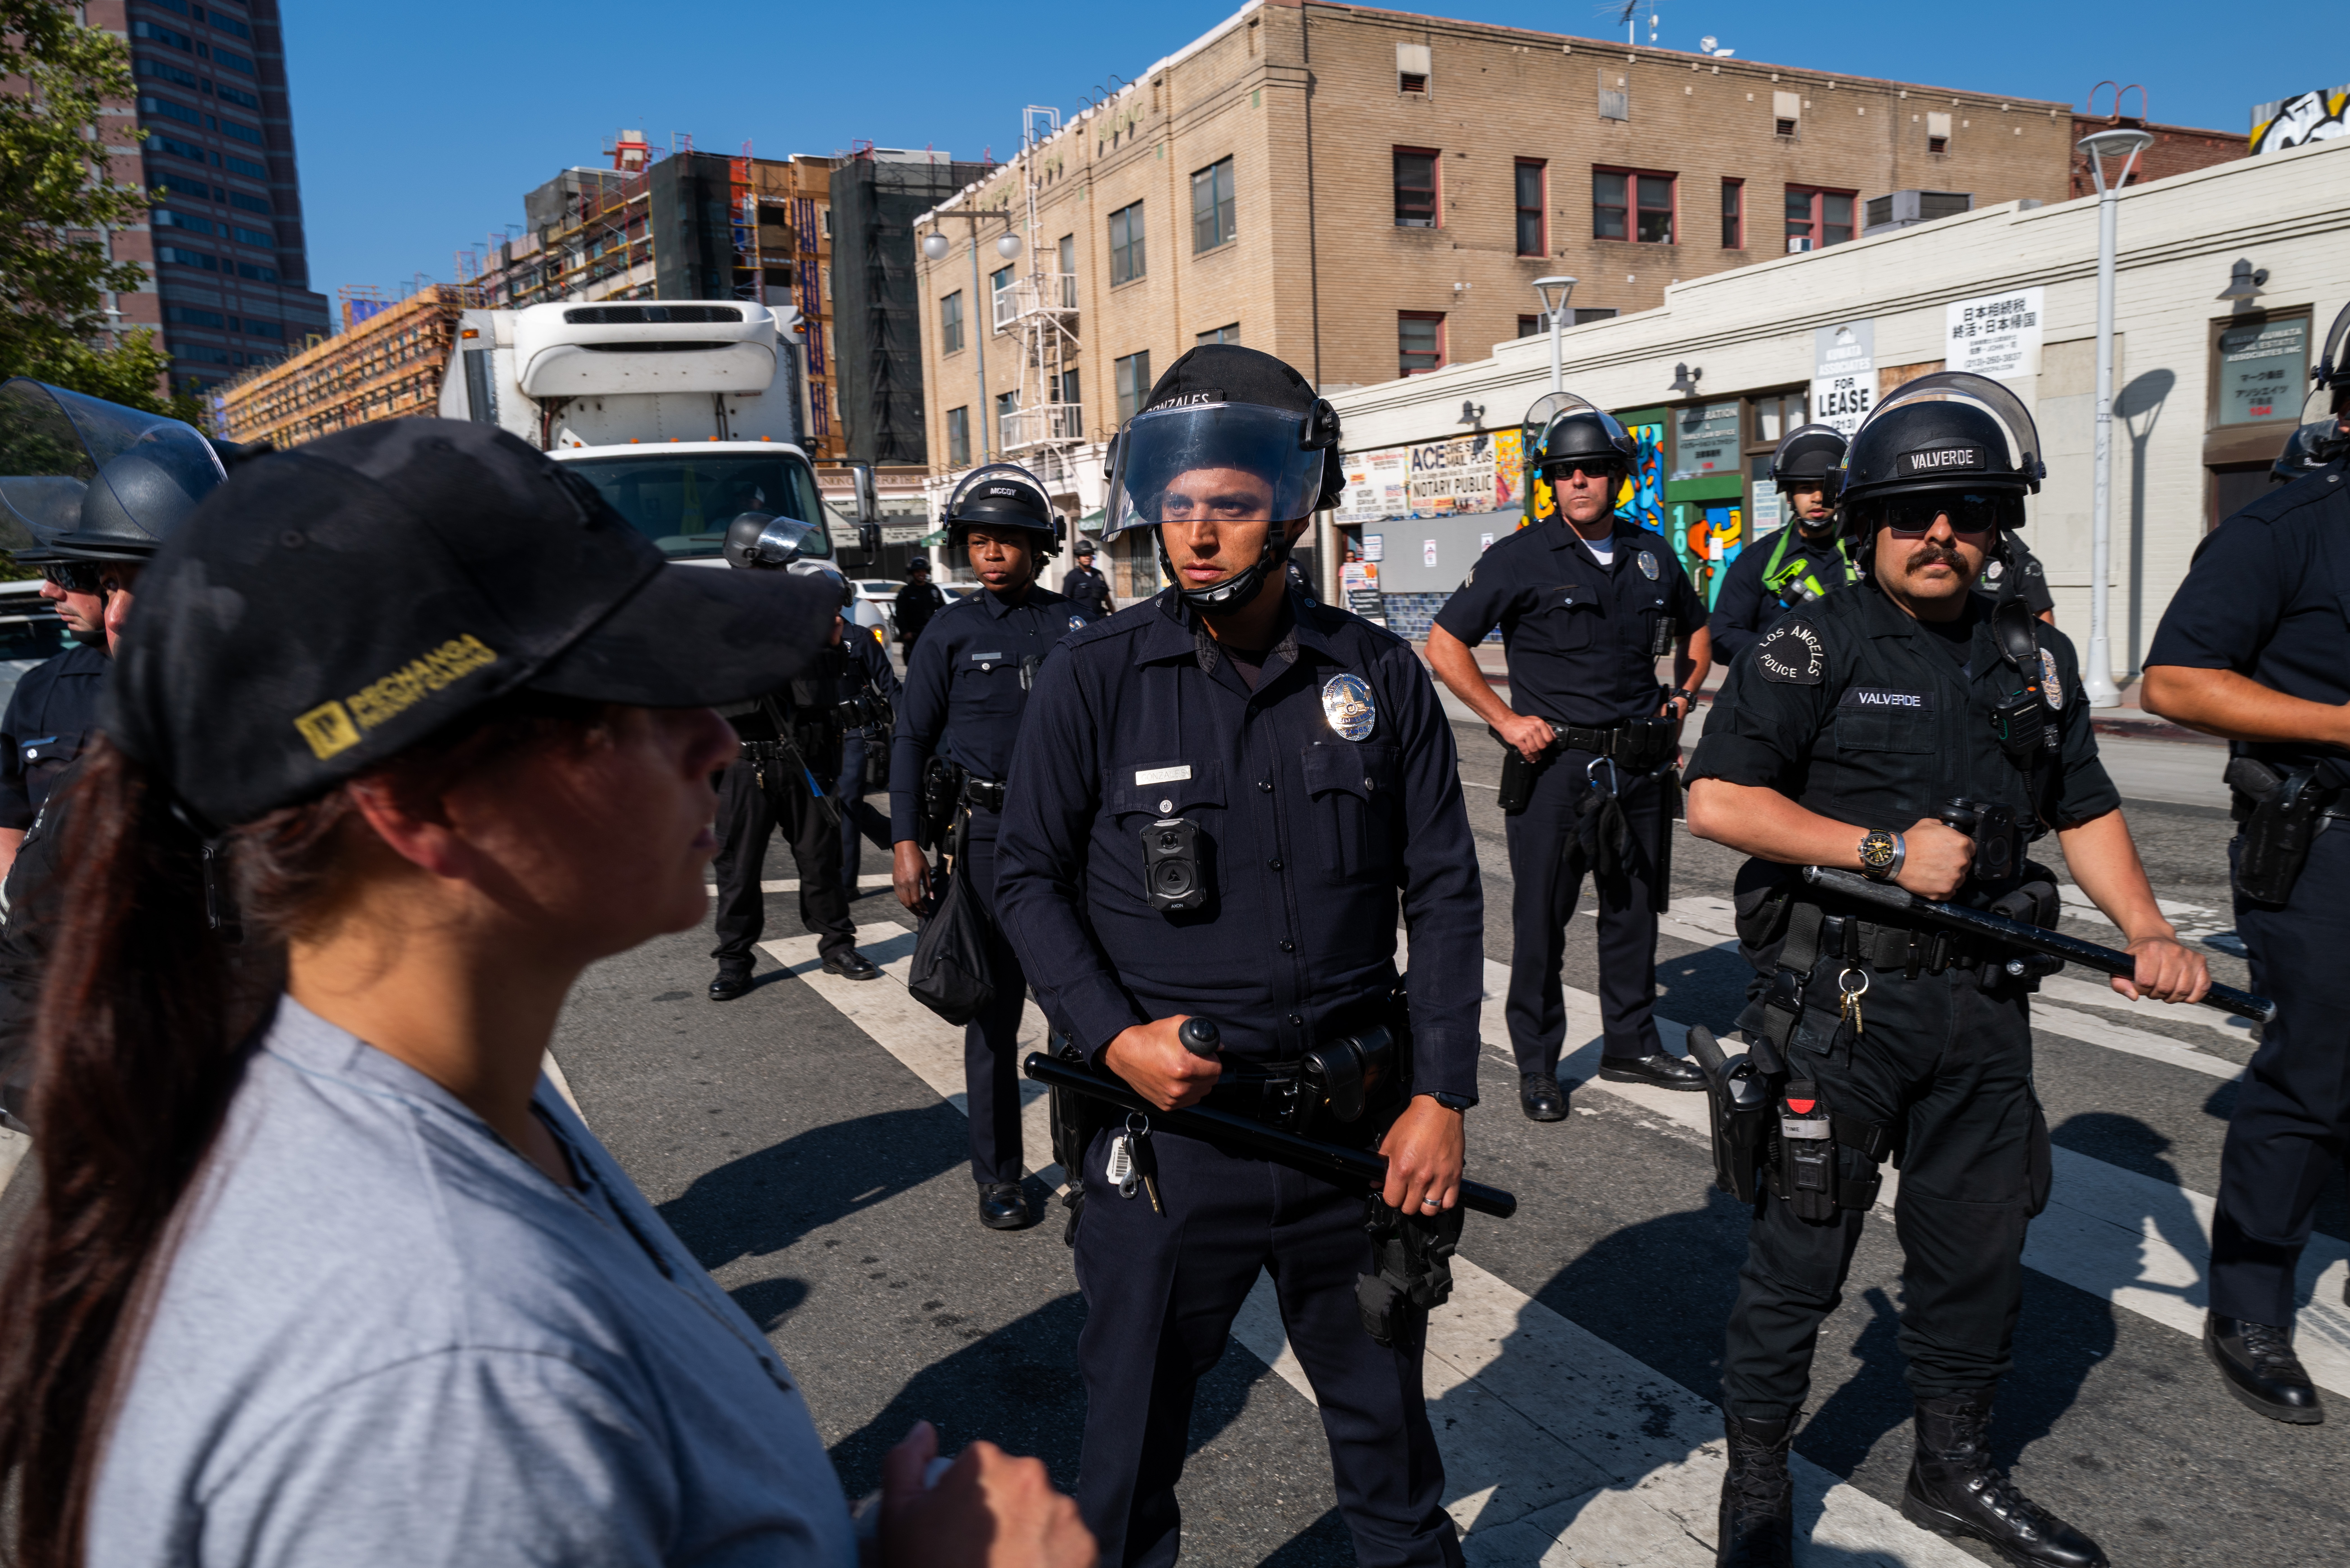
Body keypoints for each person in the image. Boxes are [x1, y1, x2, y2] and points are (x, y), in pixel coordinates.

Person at [0, 419, 1094, 1567]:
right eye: (624, 699)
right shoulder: (438, 1374)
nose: (713, 740)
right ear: (420, 806)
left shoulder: (450, 1093)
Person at [1684, 372, 2208, 1568]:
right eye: (1916, 516)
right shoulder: (1810, 638)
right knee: (1797, 1265)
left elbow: (2081, 802)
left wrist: (2144, 929)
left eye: (1968, 514)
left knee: (1974, 1261)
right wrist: (1879, 852)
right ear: (1867, 521)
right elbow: (1715, 798)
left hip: (1978, 1009)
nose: (1941, 536)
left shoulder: (2030, 656)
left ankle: (1950, 1469)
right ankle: (1755, 1487)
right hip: (1835, 1013)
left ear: (1993, 527)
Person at [995, 344, 1483, 1567]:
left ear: (1295, 505)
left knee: (1388, 1451)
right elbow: (1023, 877)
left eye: (1231, 502)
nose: (1199, 531)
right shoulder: (1094, 677)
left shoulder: (1374, 674)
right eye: (1177, 504)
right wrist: (1112, 1035)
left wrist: (1440, 1095)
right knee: (1127, 1459)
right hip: (1170, 1142)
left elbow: (1443, 886)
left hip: (1350, 1133)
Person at [2139, 299, 2350, 1426]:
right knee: (2313, 1073)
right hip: (2322, 842)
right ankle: (2250, 1300)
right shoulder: (2288, 527)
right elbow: (2173, 681)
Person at [1427, 393, 1713, 1121]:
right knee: (1541, 923)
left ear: (1617, 475)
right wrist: (1504, 720)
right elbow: (1445, 644)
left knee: (1632, 916)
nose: (1580, 481)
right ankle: (1539, 1064)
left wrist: (1680, 699)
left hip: (1639, 770)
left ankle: (1632, 1044)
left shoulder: (1652, 553)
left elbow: (1698, 631)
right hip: (1555, 772)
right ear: (1550, 481)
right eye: (1565, 471)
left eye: (1593, 469)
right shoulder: (1519, 558)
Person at [0, 380, 226, 1130]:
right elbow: (23, 976)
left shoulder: (320, 759)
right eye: (110, 584)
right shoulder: (92, 791)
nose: (120, 613)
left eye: (146, 581)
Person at [890, 464, 1097, 1231]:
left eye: (1008, 541)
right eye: (979, 542)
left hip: (1073, 843)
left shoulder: (1079, 629)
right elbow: (911, 741)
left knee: (1080, 1014)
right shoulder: (949, 631)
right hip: (984, 844)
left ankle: (1086, 1170)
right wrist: (907, 840)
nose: (992, 554)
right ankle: (1000, 1178)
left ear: (1040, 548)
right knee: (991, 1017)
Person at [707, 514, 880, 999]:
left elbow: (829, 685)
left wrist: (826, 644)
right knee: (737, 868)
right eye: (773, 558)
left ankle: (837, 944)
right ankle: (734, 960)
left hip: (806, 754)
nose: (785, 567)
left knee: (820, 858)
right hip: (746, 763)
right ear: (748, 557)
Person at [1706, 424, 1858, 667]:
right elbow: (1722, 637)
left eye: (1826, 487)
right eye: (1806, 488)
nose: (1818, 498)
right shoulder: (1756, 561)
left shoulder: (1865, 554)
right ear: (1789, 496)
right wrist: (1785, 654)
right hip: (1779, 697)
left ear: (1840, 492)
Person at [835, 611, 901, 895]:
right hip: (820, 737)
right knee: (830, 804)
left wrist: (914, 734)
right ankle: (894, 835)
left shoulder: (859, 638)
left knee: (847, 800)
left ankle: (845, 884)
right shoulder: (801, 637)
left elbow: (890, 685)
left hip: (856, 733)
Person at [896, 554, 946, 651]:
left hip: (931, 632)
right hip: (913, 635)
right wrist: (905, 632)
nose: (921, 574)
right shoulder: (906, 592)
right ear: (912, 573)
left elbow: (943, 609)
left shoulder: (933, 590)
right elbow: (900, 614)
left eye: (923, 571)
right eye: (918, 572)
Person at [1064, 539, 1114, 618]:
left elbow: (1107, 597)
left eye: (1090, 555)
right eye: (1084, 555)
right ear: (1078, 558)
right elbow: (1066, 601)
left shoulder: (1099, 574)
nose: (1087, 557)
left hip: (1099, 619)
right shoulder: (1072, 576)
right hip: (1082, 621)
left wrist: (1115, 615)